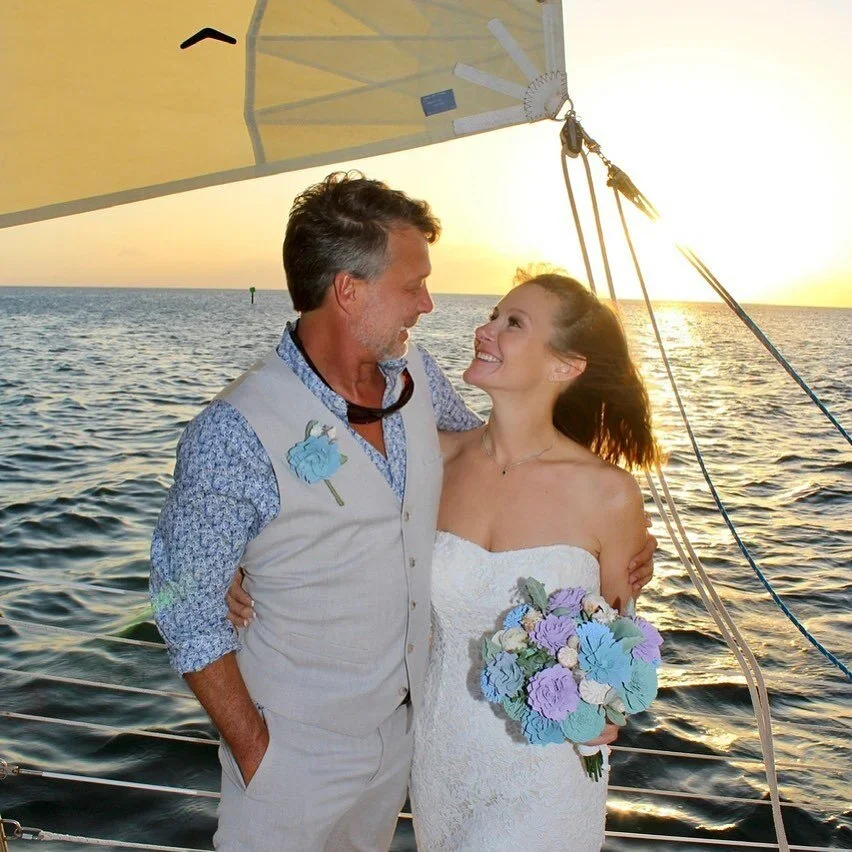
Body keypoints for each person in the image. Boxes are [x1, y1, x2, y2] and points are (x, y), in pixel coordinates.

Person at [151, 172, 655, 852]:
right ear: (348, 290)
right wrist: (256, 748)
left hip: (405, 751)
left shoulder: (418, 382)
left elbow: (502, 456)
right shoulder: (234, 430)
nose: (429, 303)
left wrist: (607, 557)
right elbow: (184, 606)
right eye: (412, 284)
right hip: (289, 758)